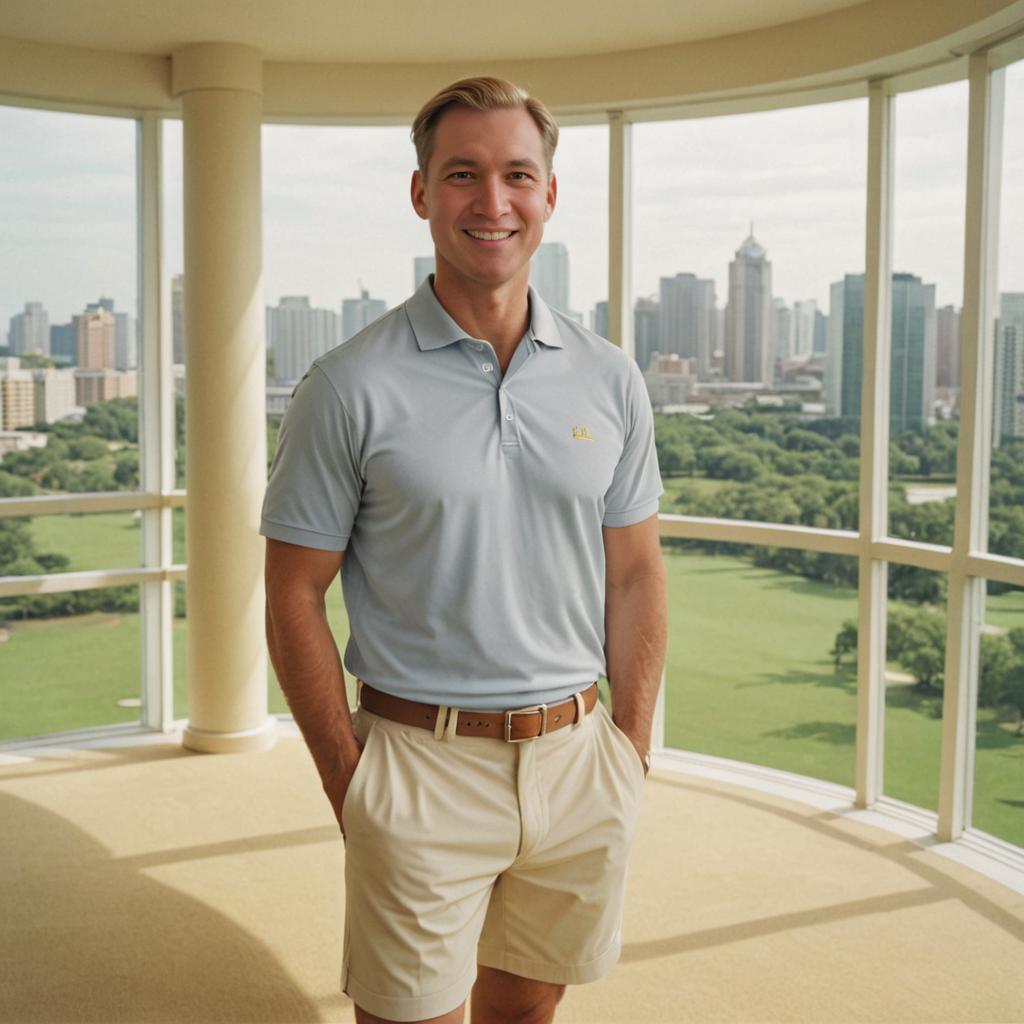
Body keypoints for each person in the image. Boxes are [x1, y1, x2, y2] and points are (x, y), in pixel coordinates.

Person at [261, 76, 667, 1024]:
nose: (493, 202)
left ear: (550, 195)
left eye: (518, 174)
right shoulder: (346, 386)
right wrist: (348, 779)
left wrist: (630, 748)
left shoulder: (611, 378)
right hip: (417, 764)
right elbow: (291, 595)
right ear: (421, 194)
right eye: (462, 174)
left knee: (527, 1015)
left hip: (579, 763)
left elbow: (637, 570)